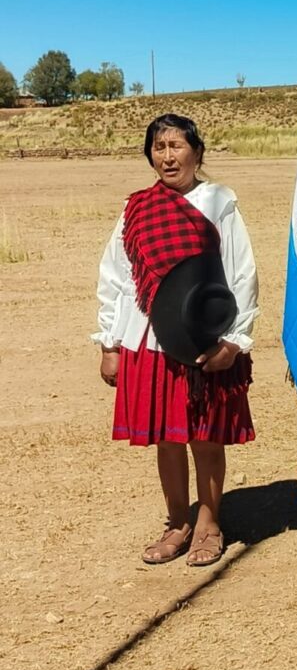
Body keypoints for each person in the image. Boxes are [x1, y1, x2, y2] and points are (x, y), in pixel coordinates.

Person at [93, 114, 259, 567]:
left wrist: (234, 341)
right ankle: (177, 523)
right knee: (166, 438)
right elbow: (116, 275)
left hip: (203, 339)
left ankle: (209, 523)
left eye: (177, 146)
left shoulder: (218, 201)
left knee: (205, 437)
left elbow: (241, 272)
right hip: (148, 339)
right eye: (159, 147)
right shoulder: (137, 208)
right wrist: (110, 342)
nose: (168, 157)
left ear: (197, 153)